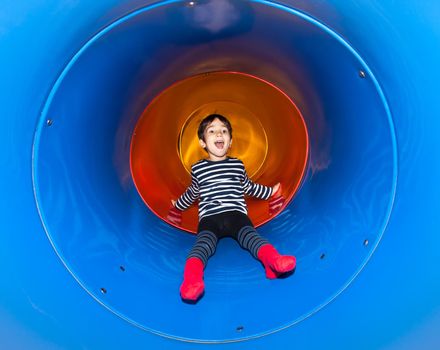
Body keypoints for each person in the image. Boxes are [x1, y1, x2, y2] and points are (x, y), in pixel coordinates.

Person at [171, 114, 296, 302]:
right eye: (211, 131)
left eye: (223, 131)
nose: (218, 134)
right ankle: (192, 280)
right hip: (209, 218)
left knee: (251, 237)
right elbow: (193, 192)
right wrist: (178, 206)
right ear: (202, 143)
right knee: (202, 246)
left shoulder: (237, 165)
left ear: (230, 141)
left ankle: (273, 261)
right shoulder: (197, 168)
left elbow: (248, 186)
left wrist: (271, 192)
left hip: (236, 214)